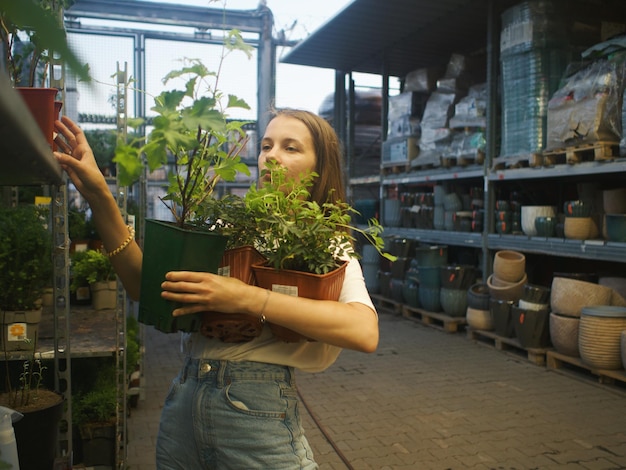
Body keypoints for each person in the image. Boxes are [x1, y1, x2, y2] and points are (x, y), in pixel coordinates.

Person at [54, 108, 379, 469]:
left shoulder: (323, 245)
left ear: (321, 168)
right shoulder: (228, 226)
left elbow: (363, 331)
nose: (271, 156)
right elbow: (144, 287)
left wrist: (246, 297)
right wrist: (99, 193)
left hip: (254, 414)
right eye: (267, 145)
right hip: (183, 409)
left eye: (291, 148)